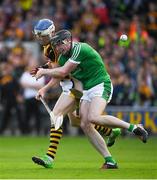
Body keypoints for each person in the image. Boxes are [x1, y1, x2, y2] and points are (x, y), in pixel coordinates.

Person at [35, 29, 148, 169]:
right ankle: (110, 160)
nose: (58, 48)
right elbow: (64, 76)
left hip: (101, 84)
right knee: (83, 124)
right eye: (56, 46)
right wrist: (45, 87)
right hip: (86, 89)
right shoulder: (63, 58)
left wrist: (44, 71)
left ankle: (134, 127)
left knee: (93, 117)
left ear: (68, 41)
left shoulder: (79, 49)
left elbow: (63, 72)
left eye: (60, 44)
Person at [31, 19, 121, 169]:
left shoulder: (59, 46)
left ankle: (49, 158)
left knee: (56, 115)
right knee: (77, 122)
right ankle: (110, 132)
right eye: (38, 36)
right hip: (68, 85)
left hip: (75, 86)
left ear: (52, 32)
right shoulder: (49, 48)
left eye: (43, 36)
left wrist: (45, 88)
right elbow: (56, 66)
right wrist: (44, 67)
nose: (40, 38)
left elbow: (60, 72)